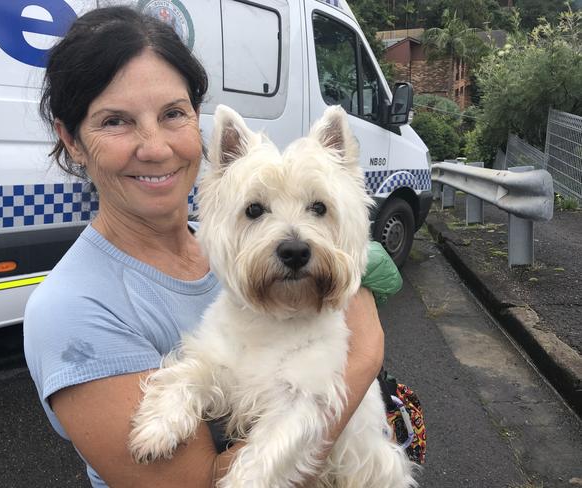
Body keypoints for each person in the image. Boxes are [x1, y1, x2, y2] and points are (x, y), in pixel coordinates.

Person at [24, 6, 386, 487]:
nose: (154, 147)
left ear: (197, 120)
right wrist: (364, 357)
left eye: (173, 113)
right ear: (70, 139)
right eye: (116, 121)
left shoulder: (224, 255)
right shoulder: (70, 311)